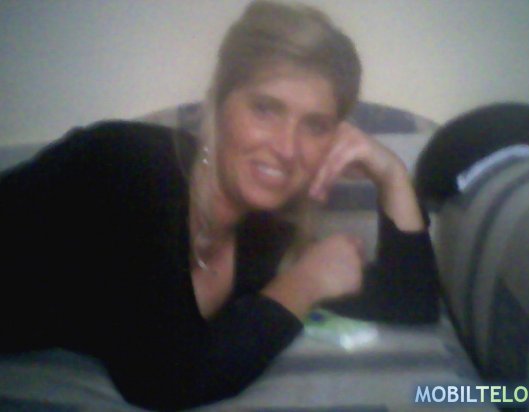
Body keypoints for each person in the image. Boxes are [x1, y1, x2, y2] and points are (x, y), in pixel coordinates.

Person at [0, 1, 438, 410]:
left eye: (315, 126)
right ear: (219, 101)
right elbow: (163, 378)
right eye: (265, 109)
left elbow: (410, 301)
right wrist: (304, 283)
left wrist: (391, 174)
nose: (287, 148)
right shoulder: (131, 166)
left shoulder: (259, 239)